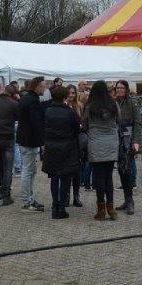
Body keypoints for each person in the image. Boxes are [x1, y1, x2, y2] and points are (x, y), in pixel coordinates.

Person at [42, 85, 80, 219]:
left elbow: (43, 128)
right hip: (67, 147)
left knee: (54, 178)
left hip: (51, 147)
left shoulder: (47, 111)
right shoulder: (69, 112)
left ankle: (55, 205)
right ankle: (61, 208)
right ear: (64, 96)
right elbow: (76, 129)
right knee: (65, 178)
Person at [85, 81, 121, 221]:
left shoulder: (90, 105)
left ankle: (101, 210)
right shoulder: (113, 104)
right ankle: (111, 208)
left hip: (96, 143)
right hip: (111, 142)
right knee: (109, 177)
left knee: (99, 177)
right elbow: (119, 121)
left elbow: (85, 122)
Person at [17, 77, 46, 212]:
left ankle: (29, 199)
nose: (44, 89)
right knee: (28, 171)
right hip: (29, 140)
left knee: (30, 171)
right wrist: (43, 141)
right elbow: (36, 123)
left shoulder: (26, 98)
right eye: (43, 86)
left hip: (25, 139)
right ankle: (27, 201)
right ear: (37, 87)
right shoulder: (33, 101)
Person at [115, 80, 142, 213]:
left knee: (129, 169)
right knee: (121, 170)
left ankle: (130, 200)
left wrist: (136, 140)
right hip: (116, 139)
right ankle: (126, 200)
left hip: (129, 139)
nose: (120, 90)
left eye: (122, 87)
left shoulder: (132, 102)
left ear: (126, 89)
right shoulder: (114, 102)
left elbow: (138, 122)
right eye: (118, 88)